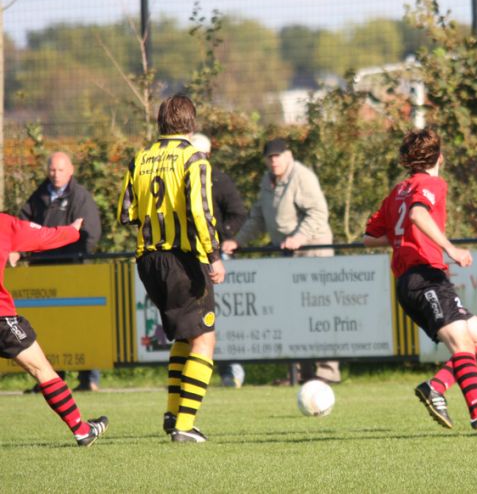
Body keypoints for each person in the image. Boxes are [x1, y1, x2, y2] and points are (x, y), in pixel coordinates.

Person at [363, 127, 477, 430]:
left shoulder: (397, 191)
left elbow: (369, 238)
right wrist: (451, 248)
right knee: (461, 344)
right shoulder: (432, 183)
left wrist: (401, 238)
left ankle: (435, 387)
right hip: (425, 277)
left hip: (411, 281)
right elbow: (417, 215)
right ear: (439, 157)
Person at [117, 94, 226, 443]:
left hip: (148, 259)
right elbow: (200, 212)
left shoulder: (140, 159)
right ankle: (185, 425)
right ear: (191, 123)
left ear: (161, 122)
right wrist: (214, 255)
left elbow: (126, 213)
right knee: (204, 339)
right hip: (182, 257)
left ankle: (172, 413)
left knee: (183, 336)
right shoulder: (194, 158)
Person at [221, 138, 340, 385]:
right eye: (270, 157)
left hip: (314, 252)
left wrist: (300, 237)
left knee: (320, 313)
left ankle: (328, 372)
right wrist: (237, 241)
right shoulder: (267, 181)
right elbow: (258, 218)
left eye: (278, 155)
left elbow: (318, 212)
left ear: (289, 155)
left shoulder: (302, 177)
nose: (274, 160)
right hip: (289, 256)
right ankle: (299, 373)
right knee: (293, 314)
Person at [0, 214, 108, 446]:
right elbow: (43, 237)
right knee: (42, 370)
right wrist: (72, 231)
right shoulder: (4, 224)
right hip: (1, 318)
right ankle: (82, 430)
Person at [15, 151, 103, 393]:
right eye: (52, 170)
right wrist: (18, 250)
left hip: (73, 272)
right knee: (48, 329)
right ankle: (50, 379)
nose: (55, 175)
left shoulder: (81, 197)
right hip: (43, 272)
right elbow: (22, 225)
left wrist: (72, 259)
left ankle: (89, 378)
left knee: (81, 324)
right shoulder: (39, 195)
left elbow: (91, 235)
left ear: (70, 170)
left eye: (60, 170)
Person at [191, 133, 248, 388]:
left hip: (214, 259)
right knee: (196, 318)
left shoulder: (219, 180)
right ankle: (193, 373)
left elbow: (238, 213)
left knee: (219, 315)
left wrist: (223, 237)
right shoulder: (181, 179)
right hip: (189, 257)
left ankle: (232, 371)